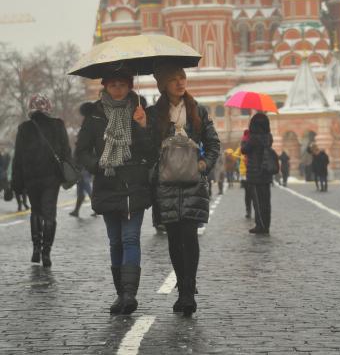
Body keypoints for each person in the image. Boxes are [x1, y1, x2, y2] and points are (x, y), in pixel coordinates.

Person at [75, 69, 155, 315]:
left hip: (134, 185)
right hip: (107, 184)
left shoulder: (140, 111)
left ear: (130, 86)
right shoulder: (95, 116)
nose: (118, 89)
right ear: (106, 87)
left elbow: (152, 152)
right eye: (113, 85)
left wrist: (142, 126)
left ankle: (130, 294)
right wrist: (98, 164)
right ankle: (120, 294)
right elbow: (81, 151)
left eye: (123, 84)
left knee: (130, 238)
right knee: (115, 242)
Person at [146, 61, 220, 317]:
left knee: (189, 236)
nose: (180, 82)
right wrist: (141, 125)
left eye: (182, 77)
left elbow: (213, 144)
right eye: (174, 78)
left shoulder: (197, 110)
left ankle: (188, 290)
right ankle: (182, 287)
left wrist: (204, 164)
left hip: (191, 182)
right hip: (166, 184)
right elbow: (145, 146)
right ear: (163, 84)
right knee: (174, 239)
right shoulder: (154, 114)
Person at [11, 94, 71, 267]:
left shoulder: (24, 128)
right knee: (50, 214)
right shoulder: (58, 125)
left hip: (31, 178)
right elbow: (66, 152)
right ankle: (46, 252)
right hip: (51, 178)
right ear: (48, 107)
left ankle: (36, 248)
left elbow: (18, 158)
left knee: (36, 212)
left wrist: (17, 183)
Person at [241, 112, 274, 235]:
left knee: (257, 202)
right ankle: (266, 225)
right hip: (266, 173)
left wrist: (245, 140)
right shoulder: (268, 136)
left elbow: (244, 150)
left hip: (255, 174)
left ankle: (260, 226)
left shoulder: (253, 138)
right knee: (266, 201)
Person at [234, 131, 252, 218]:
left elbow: (235, 155)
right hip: (249, 171)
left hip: (247, 171)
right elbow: (235, 155)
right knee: (252, 193)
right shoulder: (252, 142)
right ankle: (250, 210)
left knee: (248, 193)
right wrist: (241, 157)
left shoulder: (244, 144)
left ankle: (248, 210)